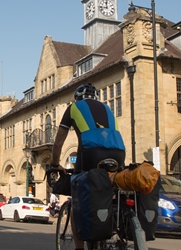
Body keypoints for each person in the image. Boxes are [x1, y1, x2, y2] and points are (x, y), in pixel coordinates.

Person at [50, 83, 126, 250]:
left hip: (92, 153)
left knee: (77, 197)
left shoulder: (73, 107)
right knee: (109, 187)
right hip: (119, 152)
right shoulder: (107, 108)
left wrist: (55, 164)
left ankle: (79, 247)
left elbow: (58, 143)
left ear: (77, 98)